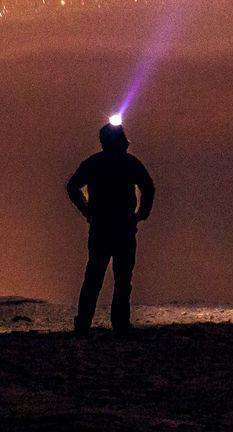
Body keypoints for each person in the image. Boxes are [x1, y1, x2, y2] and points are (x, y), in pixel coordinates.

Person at [64, 120, 155, 334]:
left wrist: (87, 210)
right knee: (121, 279)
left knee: (94, 277)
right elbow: (148, 188)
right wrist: (141, 214)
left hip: (102, 226)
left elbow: (72, 186)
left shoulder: (95, 163)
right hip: (122, 227)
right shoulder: (129, 163)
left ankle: (84, 323)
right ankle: (120, 323)